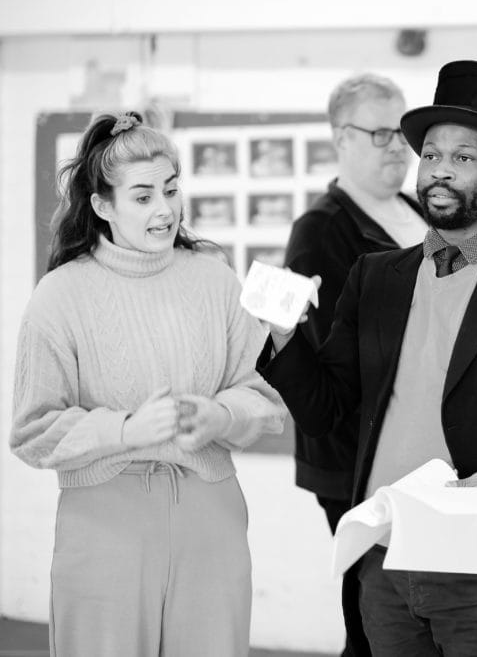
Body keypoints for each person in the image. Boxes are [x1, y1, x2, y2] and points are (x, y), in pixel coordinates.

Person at [261, 60, 477, 657]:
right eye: (430, 154)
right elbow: (326, 411)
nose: (440, 170)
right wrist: (283, 335)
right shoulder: (376, 277)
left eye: (463, 157)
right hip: (382, 561)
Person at [10, 111, 287, 657]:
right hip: (103, 522)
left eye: (171, 190)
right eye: (142, 197)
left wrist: (220, 416)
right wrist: (126, 429)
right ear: (102, 206)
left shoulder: (214, 278)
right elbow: (32, 431)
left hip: (210, 514)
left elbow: (262, 394)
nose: (164, 209)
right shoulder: (60, 295)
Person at [284, 73, 426, 656]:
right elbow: (332, 364)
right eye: (381, 133)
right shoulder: (321, 231)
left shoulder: (416, 210)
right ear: (342, 137)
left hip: (421, 452)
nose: (399, 147)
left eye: (404, 132)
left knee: (423, 621)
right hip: (357, 462)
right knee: (375, 626)